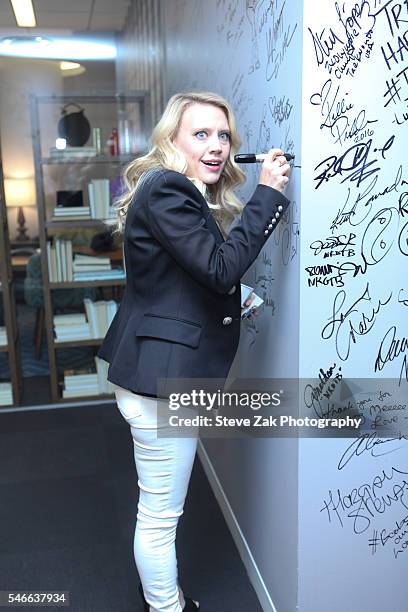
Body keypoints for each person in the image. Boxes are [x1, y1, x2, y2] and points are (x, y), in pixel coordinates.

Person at [98, 91, 291, 612]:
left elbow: (177, 273)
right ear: (172, 141)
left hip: (156, 374)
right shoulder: (169, 190)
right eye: (200, 134)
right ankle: (166, 607)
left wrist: (237, 296)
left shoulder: (170, 191)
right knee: (160, 516)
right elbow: (219, 267)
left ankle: (164, 597)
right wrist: (268, 194)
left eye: (223, 135)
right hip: (161, 384)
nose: (216, 146)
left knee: (159, 510)